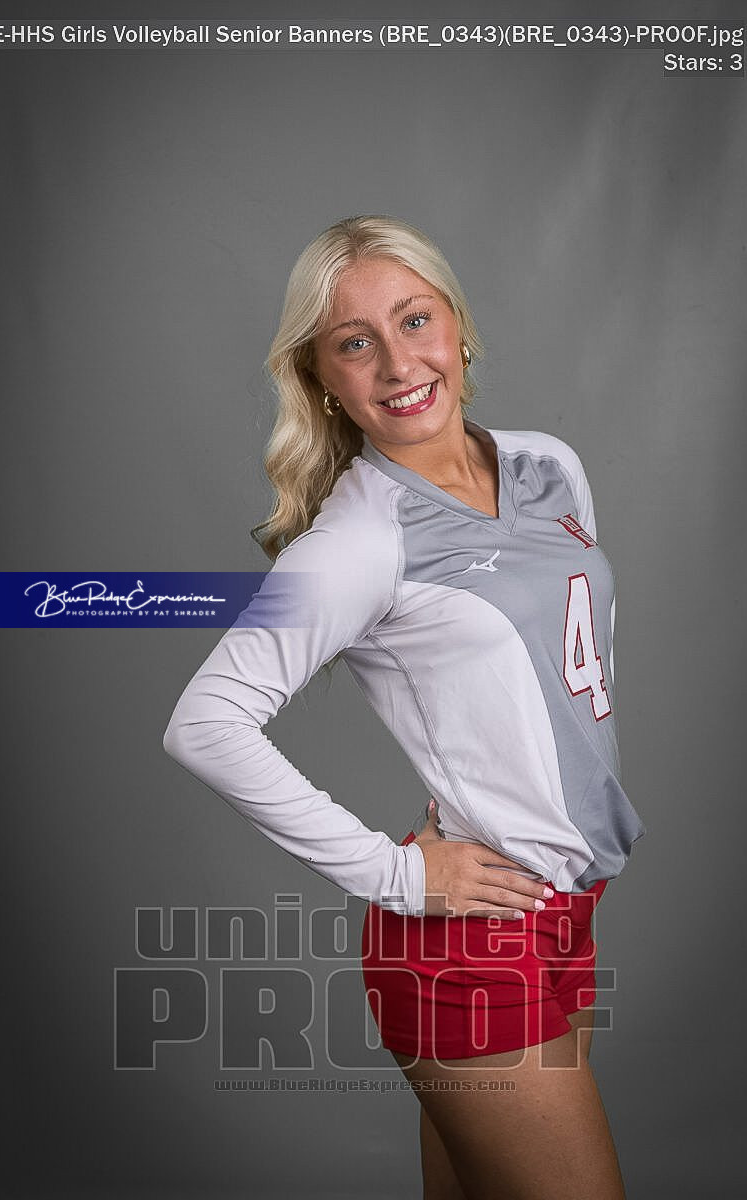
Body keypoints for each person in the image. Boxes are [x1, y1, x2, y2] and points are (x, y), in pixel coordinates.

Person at [162, 214, 646, 1199]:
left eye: (414, 320)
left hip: (566, 906)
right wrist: (395, 873)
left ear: (456, 326)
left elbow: (552, 668)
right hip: (470, 942)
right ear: (322, 380)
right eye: (354, 343)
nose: (396, 363)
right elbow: (204, 723)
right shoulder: (358, 541)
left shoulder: (547, 465)